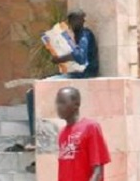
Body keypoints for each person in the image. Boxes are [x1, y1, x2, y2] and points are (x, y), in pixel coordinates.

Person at [26, 9, 99, 141]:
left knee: (35, 90)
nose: (80, 22)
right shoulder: (75, 36)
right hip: (74, 73)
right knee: (32, 91)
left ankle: (34, 137)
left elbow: (81, 57)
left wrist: (61, 59)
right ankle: (34, 134)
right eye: (77, 20)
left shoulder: (85, 34)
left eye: (81, 20)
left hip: (84, 74)